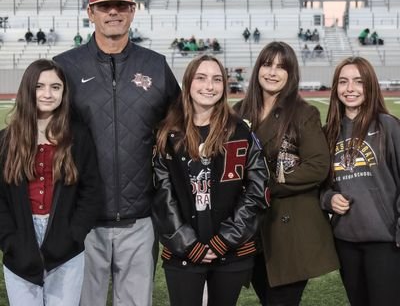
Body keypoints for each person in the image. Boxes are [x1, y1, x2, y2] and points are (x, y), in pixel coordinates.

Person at [54, 0, 181, 305]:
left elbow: (180, 128)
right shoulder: (65, 67)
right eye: (104, 6)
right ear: (90, 12)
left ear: (133, 11)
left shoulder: (155, 65)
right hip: (82, 219)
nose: (113, 12)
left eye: (121, 5)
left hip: (140, 219)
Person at [152, 54, 269, 306]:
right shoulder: (167, 133)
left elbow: (257, 189)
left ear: (224, 87)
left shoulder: (240, 130)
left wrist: (225, 239)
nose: (209, 86)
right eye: (201, 78)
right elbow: (162, 194)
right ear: (188, 83)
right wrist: (188, 243)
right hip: (183, 252)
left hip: (232, 251)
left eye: (217, 79)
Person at [235, 42, 339, 306]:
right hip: (251, 228)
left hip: (290, 230)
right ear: (258, 68)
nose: (272, 72)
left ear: (291, 74)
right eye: (267, 64)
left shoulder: (304, 112)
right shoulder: (237, 113)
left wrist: (266, 186)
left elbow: (317, 166)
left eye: (281, 67)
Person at [0, 59, 100, 306]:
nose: (47, 94)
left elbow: (92, 191)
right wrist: (10, 241)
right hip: (21, 238)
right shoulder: (6, 141)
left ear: (64, 92)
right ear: (28, 90)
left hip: (65, 241)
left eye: (55, 87)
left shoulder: (77, 136)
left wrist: (74, 234)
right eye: (40, 86)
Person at [321, 56, 400, 306]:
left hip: (386, 241)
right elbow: (318, 185)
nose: (350, 89)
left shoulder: (388, 126)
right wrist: (328, 199)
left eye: (358, 82)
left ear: (370, 86)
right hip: (346, 240)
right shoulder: (328, 133)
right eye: (343, 82)